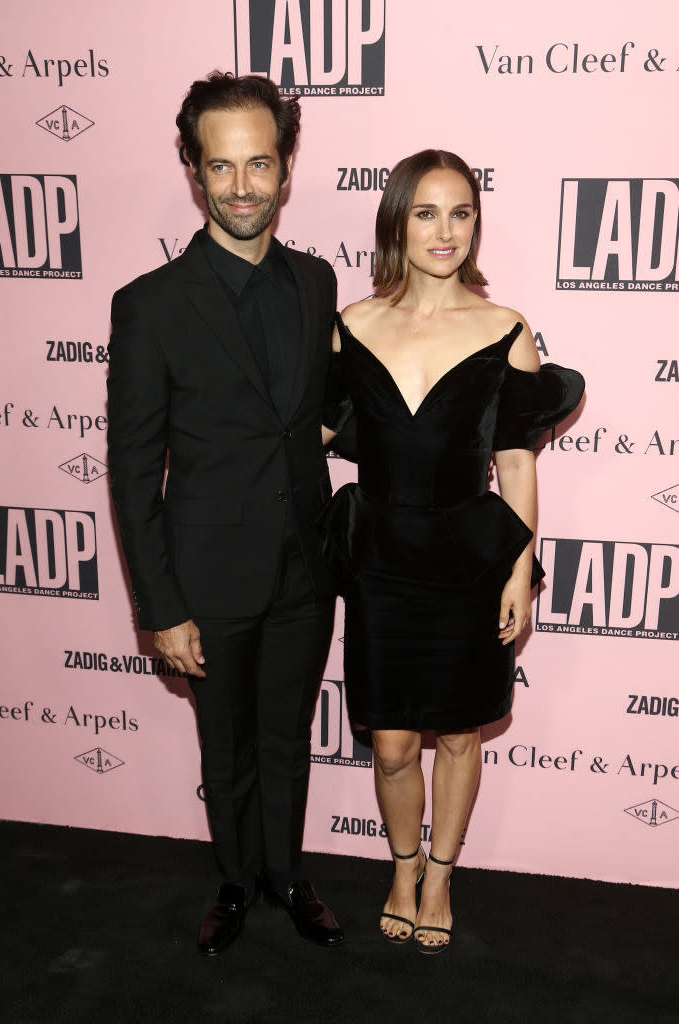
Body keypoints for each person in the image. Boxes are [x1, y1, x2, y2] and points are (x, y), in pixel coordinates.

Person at [320, 150, 584, 955]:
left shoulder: (505, 328)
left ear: (476, 221)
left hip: (469, 561)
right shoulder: (353, 325)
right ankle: (398, 867)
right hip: (380, 560)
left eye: (460, 212)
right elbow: (315, 433)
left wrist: (519, 573)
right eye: (426, 212)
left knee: (462, 735)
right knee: (393, 744)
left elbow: (514, 464)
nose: (444, 231)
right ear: (396, 219)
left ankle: (437, 876)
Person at [107, 71, 344, 955]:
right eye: (221, 166)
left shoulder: (317, 282)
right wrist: (159, 608)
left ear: (285, 170)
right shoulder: (149, 305)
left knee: (287, 736)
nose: (241, 185)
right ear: (193, 172)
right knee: (228, 745)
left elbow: (323, 408)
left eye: (259, 163)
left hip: (304, 567)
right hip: (207, 575)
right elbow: (132, 472)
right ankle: (237, 880)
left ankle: (289, 873)